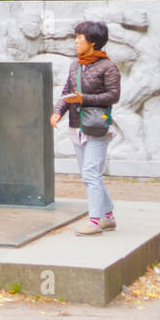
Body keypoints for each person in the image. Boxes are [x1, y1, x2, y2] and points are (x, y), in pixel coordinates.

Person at [50, 20, 121, 235]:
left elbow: (113, 95)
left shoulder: (108, 67)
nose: (76, 42)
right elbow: (67, 92)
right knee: (89, 174)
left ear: (92, 42)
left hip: (97, 126)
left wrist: (84, 99)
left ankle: (94, 221)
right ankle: (108, 217)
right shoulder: (75, 65)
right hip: (76, 126)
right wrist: (57, 112)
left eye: (79, 38)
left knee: (91, 174)